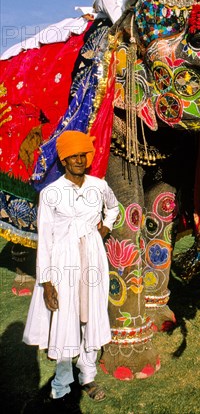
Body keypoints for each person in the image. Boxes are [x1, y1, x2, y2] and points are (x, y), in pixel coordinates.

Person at [23, 131, 119, 404]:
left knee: (93, 314)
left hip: (93, 258)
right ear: (64, 160)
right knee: (65, 319)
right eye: (72, 156)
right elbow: (46, 239)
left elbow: (113, 208)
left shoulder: (98, 187)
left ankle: (87, 375)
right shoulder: (51, 193)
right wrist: (47, 282)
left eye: (82, 155)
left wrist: (104, 229)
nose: (78, 160)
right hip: (63, 262)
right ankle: (63, 379)